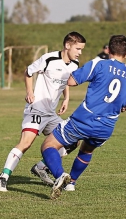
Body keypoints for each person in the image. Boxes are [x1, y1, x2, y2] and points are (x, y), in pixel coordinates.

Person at [40, 34, 126, 199]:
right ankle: (72, 184)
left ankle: (60, 175)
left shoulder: (98, 64)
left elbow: (71, 81)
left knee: (48, 145)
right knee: (87, 150)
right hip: (106, 127)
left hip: (84, 119)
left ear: (109, 50)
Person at [0, 31, 86, 192]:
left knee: (73, 140)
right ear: (68, 45)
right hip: (37, 109)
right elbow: (28, 71)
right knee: (26, 143)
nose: (80, 52)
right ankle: (3, 177)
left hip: (51, 113)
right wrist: (29, 92)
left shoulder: (74, 65)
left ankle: (40, 167)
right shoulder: (49, 58)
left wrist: (66, 98)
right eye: (78, 48)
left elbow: (66, 80)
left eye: (81, 49)